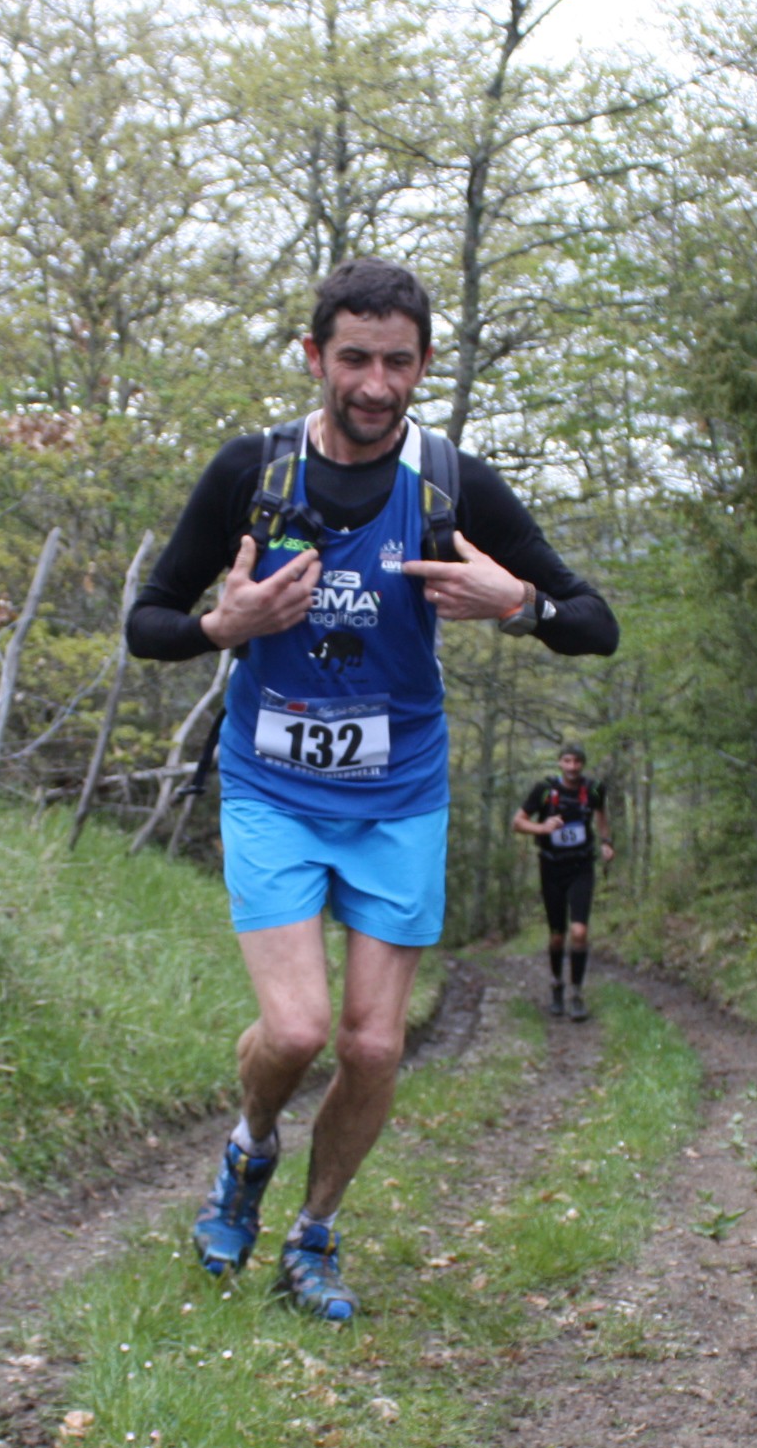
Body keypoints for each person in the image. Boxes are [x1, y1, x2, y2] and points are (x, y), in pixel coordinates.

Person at [125, 258, 618, 1320]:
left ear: (424, 363)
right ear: (315, 358)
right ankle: (249, 1152)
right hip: (271, 784)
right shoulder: (249, 476)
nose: (377, 384)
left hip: (398, 793)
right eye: (354, 358)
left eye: (399, 362)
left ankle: (313, 1237)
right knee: (296, 1032)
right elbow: (147, 624)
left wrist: (518, 603)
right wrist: (225, 627)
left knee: (373, 1045)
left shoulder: (450, 488)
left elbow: (595, 622)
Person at [514, 742, 611, 1020]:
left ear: (582, 764)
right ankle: (557, 984)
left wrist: (606, 842)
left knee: (579, 931)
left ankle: (577, 993)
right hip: (552, 868)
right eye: (567, 761)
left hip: (582, 867)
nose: (572, 767)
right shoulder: (544, 790)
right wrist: (542, 827)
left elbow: (602, 814)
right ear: (559, 763)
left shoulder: (593, 789)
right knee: (557, 936)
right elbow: (517, 822)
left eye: (577, 762)